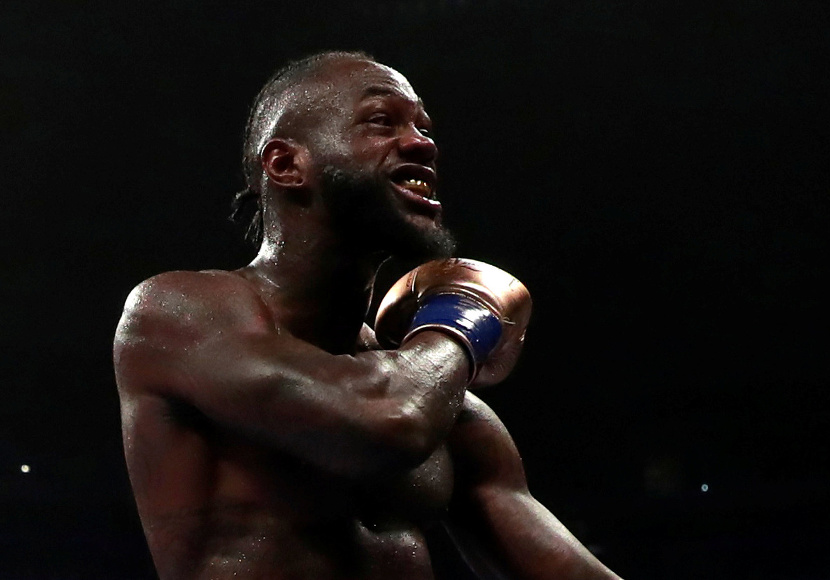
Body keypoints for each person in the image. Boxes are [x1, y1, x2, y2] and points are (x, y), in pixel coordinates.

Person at [113, 50, 622, 580]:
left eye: (423, 125)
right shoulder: (177, 313)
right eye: (382, 120)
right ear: (286, 164)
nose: (422, 142)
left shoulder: (439, 395)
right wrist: (468, 313)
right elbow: (385, 424)